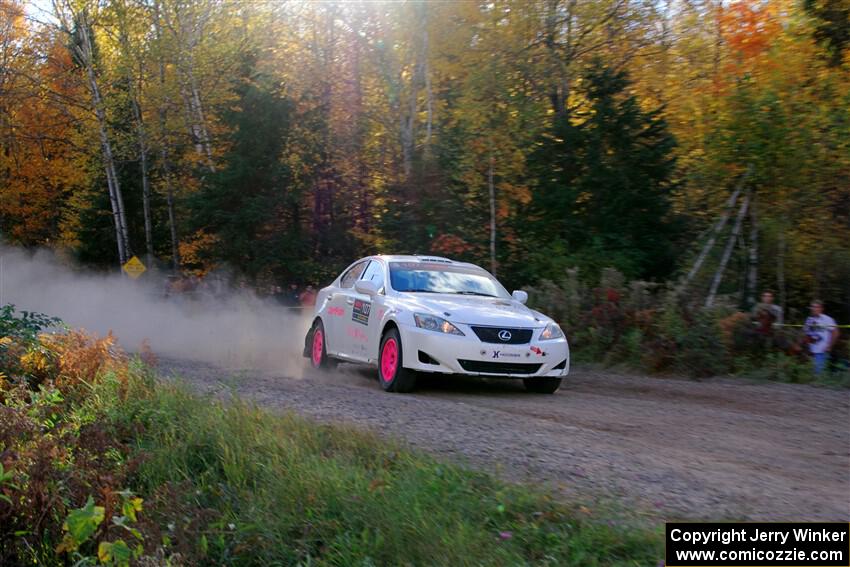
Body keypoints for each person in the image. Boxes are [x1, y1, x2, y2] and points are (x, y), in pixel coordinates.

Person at [803, 300, 839, 374]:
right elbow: (806, 334)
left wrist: (829, 346)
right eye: (812, 307)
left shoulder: (828, 319)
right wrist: (807, 346)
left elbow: (836, 333)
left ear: (821, 308)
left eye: (816, 307)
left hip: (822, 351)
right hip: (811, 351)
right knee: (811, 373)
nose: (814, 309)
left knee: (818, 373)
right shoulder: (809, 319)